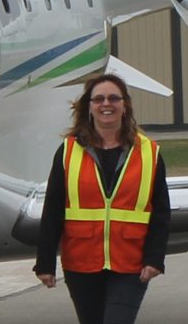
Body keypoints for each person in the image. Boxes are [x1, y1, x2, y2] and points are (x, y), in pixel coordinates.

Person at [33, 73, 172, 324]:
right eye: (98, 99)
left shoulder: (150, 152)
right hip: (81, 264)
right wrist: (44, 262)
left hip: (131, 263)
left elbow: (161, 212)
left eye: (113, 98)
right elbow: (52, 209)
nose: (106, 104)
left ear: (124, 105)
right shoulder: (68, 151)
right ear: (89, 106)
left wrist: (155, 259)